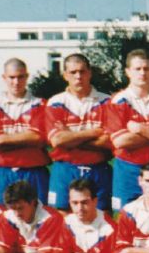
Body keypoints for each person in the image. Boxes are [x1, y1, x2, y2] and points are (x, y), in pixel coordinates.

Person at [45, 54, 113, 211]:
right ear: (65, 75)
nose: (78, 76)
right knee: (63, 215)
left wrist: (70, 136)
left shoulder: (107, 102)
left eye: (82, 71)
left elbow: (108, 141)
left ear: (90, 73)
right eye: (73, 72)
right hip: (65, 169)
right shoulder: (56, 103)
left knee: (102, 217)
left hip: (98, 169)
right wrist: (93, 132)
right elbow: (57, 140)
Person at [105, 50, 149, 212]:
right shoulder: (118, 101)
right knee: (126, 217)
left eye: (146, 69)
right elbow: (121, 141)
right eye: (137, 69)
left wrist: (140, 129)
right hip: (128, 169)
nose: (142, 73)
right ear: (128, 72)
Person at [0, 58, 50, 204]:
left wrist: (2, 139)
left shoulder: (40, 104)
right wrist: (25, 139)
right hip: (3, 172)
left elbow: (38, 138)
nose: (16, 82)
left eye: (20, 77)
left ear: (27, 77)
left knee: (39, 214)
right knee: (1, 214)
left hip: (34, 171)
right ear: (4, 78)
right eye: (12, 77)